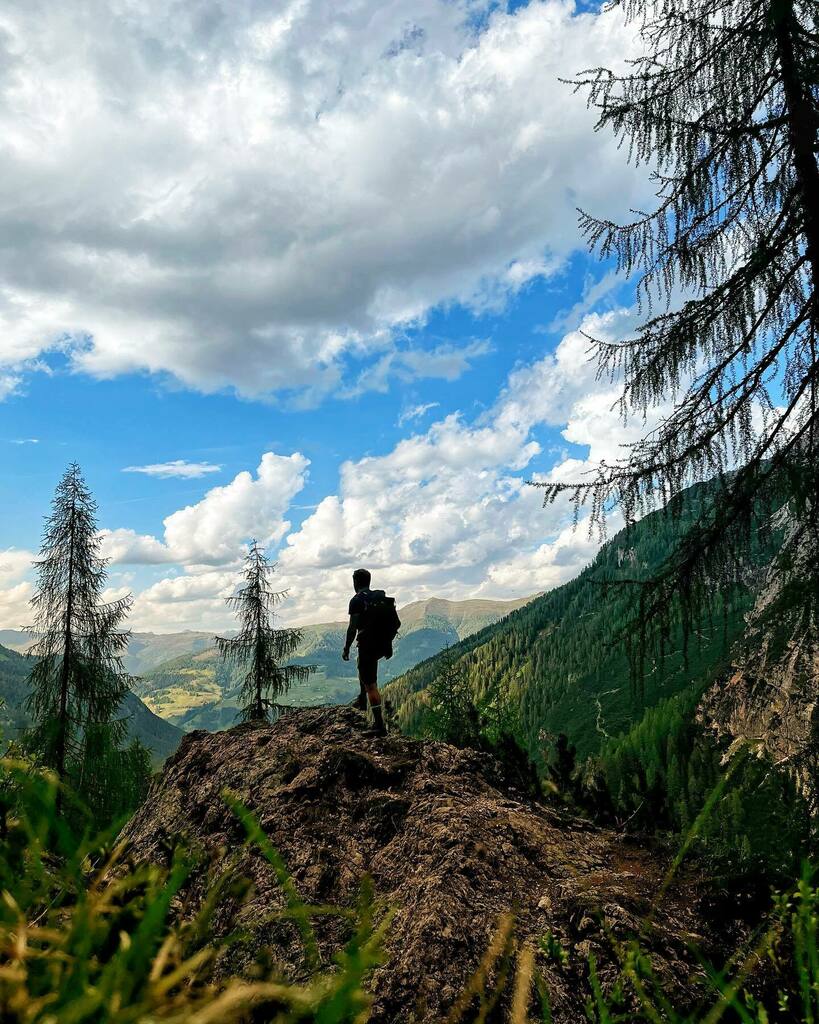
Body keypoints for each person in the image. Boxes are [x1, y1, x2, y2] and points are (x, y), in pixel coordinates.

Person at [342, 567, 389, 736]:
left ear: (356, 582)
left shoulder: (356, 600)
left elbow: (352, 628)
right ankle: (362, 701)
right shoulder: (376, 597)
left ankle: (379, 726)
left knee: (371, 684)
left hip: (367, 645)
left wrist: (346, 647)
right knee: (362, 668)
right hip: (378, 644)